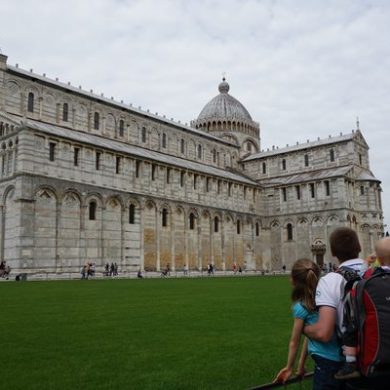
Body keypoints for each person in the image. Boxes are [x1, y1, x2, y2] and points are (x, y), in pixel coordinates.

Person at [304, 227, 390, 389]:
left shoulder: (330, 280)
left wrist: (305, 329)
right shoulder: (375, 273)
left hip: (344, 361)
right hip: (378, 359)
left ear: (334, 252)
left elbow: (324, 332)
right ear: (359, 248)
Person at [274, 259, 343, 388]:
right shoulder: (324, 301)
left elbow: (294, 342)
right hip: (342, 359)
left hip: (325, 363)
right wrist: (301, 364)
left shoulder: (300, 308)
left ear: (294, 281)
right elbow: (312, 335)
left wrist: (289, 367)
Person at [335, 237, 390, 380]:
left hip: (376, 363)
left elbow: (359, 280)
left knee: (351, 319)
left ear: (379, 259)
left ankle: (350, 363)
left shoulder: (368, 281)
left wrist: (366, 263)